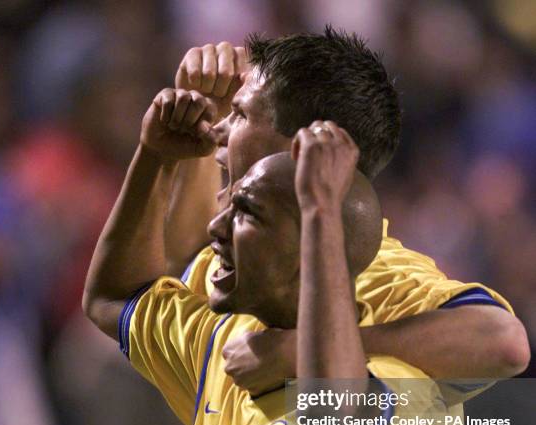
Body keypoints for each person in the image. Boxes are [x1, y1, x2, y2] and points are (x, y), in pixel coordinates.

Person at [85, 99, 468, 425]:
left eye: (246, 214)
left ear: (307, 245)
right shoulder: (223, 341)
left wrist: (321, 214)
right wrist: (155, 157)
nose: (216, 226)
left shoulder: (412, 393)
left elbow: (340, 413)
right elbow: (111, 297)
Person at [160, 30, 529, 394]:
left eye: (238, 114)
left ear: (307, 145)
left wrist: (299, 350)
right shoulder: (250, 247)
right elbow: (182, 264)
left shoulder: (373, 267)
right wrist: (195, 115)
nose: (220, 128)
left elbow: (505, 343)